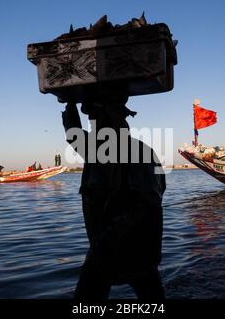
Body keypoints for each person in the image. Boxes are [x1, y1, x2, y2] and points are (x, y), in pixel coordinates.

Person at [61, 90, 165, 301]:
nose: (93, 125)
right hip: (101, 253)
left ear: (112, 120)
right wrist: (70, 103)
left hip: (137, 251)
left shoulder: (139, 152)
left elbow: (148, 201)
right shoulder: (95, 149)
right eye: (92, 121)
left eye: (97, 119)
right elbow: (74, 133)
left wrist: (108, 237)